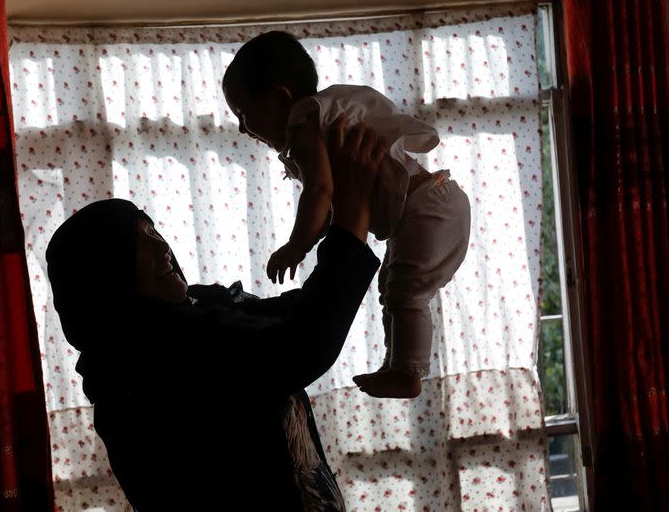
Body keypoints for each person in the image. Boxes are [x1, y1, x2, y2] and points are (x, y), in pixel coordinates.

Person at [45, 122, 384, 511]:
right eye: (138, 242)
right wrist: (352, 223)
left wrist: (343, 224)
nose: (161, 245)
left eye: (153, 230)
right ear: (107, 275)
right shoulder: (147, 356)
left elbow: (298, 312)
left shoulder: (195, 311)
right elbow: (298, 347)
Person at [222, 30, 471, 399]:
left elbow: (319, 191)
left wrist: (296, 245)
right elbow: (330, 208)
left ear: (279, 98)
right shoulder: (319, 121)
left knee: (405, 293)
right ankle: (399, 366)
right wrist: (313, 236)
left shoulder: (306, 122)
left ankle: (408, 373)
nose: (242, 128)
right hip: (431, 207)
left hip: (427, 207)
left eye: (244, 113)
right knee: (395, 291)